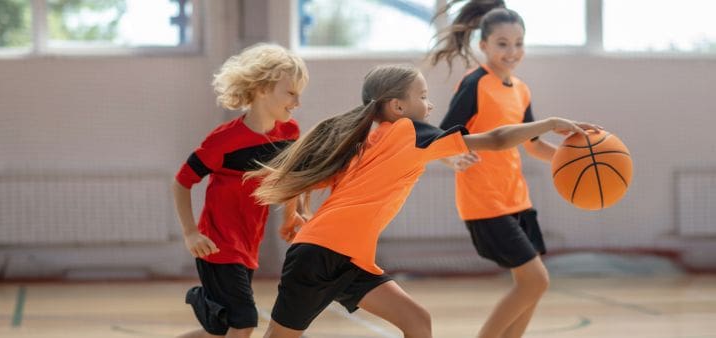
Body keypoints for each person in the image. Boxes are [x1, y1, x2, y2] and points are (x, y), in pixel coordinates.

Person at [246, 64, 600, 338]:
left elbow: (307, 177)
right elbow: (494, 139)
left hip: (351, 260)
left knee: (417, 320)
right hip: (319, 256)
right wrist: (549, 122)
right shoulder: (408, 131)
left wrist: (296, 214)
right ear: (399, 106)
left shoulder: (370, 140)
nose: (430, 105)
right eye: (424, 96)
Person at [429, 1, 572, 337]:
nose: (512, 51)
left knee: (532, 288)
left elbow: (534, 144)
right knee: (536, 280)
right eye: (503, 44)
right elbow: (442, 137)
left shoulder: (521, 90)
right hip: (484, 201)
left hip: (517, 199)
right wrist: (451, 158)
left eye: (519, 43)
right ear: (484, 46)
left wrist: (574, 158)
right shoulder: (476, 83)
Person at [171, 43, 308, 338]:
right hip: (218, 246)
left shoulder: (289, 133)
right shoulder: (224, 140)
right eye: (291, 92)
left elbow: (289, 177)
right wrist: (191, 232)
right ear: (262, 89)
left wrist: (291, 215)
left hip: (248, 245)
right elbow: (182, 182)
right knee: (244, 320)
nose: (297, 101)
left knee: (222, 330)